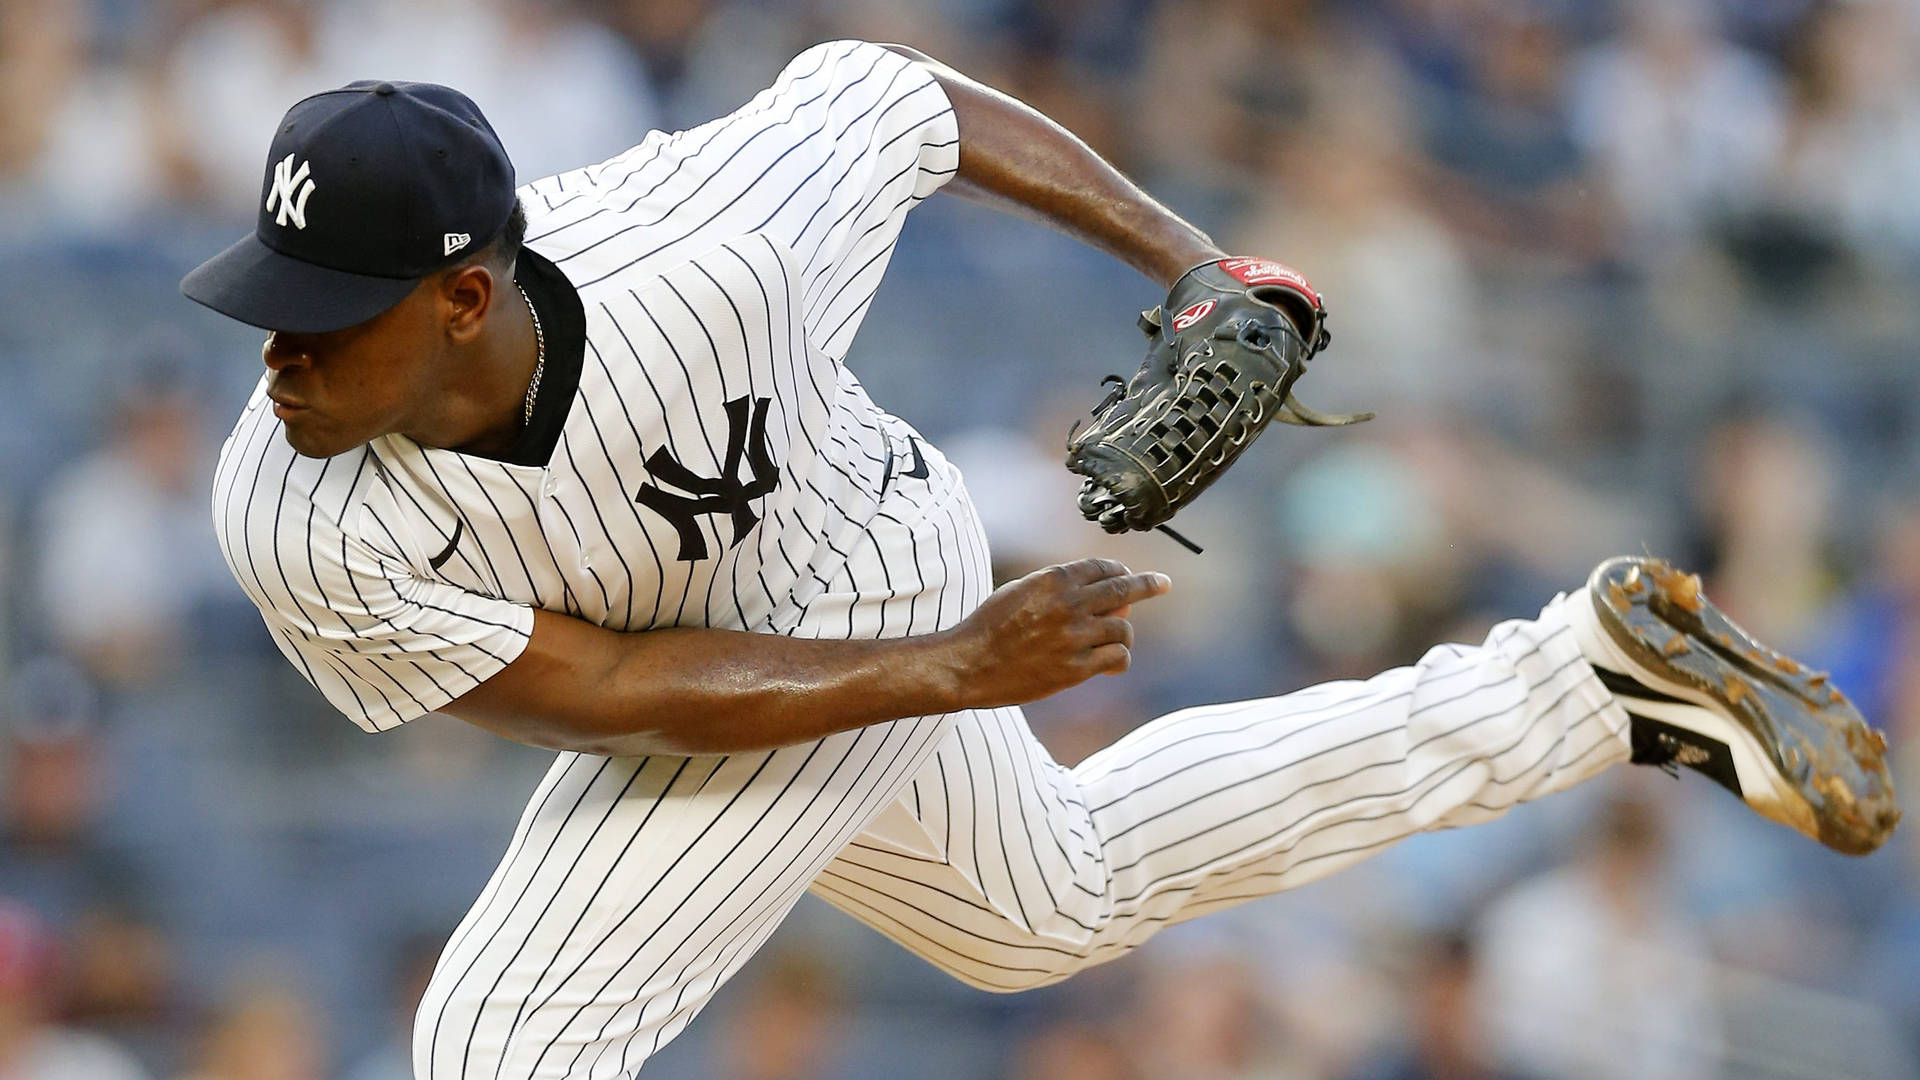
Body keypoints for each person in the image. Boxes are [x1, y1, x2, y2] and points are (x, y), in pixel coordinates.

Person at [180, 42, 1896, 1078]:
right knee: (1044, 905)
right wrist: (942, 681)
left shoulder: (706, 249)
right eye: (274, 302)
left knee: (503, 1046)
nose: (281, 355)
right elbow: (608, 688)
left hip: (859, 563)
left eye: (330, 321)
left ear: (467, 295)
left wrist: (1190, 258)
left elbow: (904, 101)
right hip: (797, 657)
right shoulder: (295, 505)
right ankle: (1583, 686)